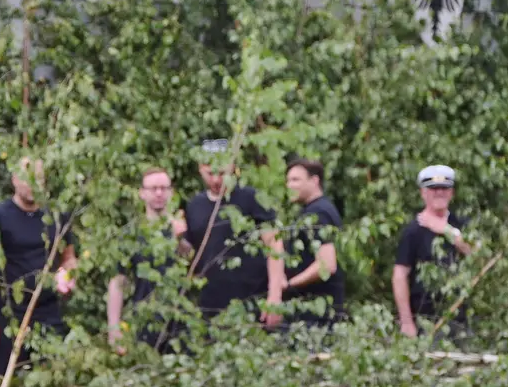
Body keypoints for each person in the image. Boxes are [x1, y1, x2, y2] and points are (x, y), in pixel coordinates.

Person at [0, 157, 78, 377]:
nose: (33, 185)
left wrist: (68, 274)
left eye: (38, 179)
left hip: (48, 313)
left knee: (52, 378)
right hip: (8, 314)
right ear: (15, 180)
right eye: (28, 179)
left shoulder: (57, 217)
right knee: (1, 381)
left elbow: (69, 258)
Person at [183, 139, 286, 327]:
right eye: (210, 173)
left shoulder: (251, 198)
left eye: (222, 173)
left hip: (252, 302)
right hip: (209, 306)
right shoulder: (194, 205)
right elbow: (190, 255)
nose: (216, 180)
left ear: (232, 167)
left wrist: (274, 296)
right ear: (200, 168)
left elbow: (274, 244)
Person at [106, 166, 190, 354]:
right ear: (142, 193)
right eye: (153, 189)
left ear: (171, 192)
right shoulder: (131, 235)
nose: (159, 193)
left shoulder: (183, 229)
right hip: (144, 322)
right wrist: (114, 328)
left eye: (164, 188)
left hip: (181, 323)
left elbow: (193, 262)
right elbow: (118, 281)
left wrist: (180, 239)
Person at [392, 164, 477, 338]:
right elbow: (399, 276)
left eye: (444, 189)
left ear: (451, 193)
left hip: (459, 317)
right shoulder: (413, 231)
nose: (439, 193)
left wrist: (447, 231)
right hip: (425, 320)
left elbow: (478, 256)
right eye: (433, 189)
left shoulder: (461, 224)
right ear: (423, 193)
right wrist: (407, 322)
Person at [282, 159, 345, 326]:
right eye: (288, 181)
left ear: (314, 181)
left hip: (317, 315)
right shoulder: (312, 211)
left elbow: (327, 265)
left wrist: (289, 285)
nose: (289, 185)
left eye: (296, 180)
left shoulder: (319, 213)